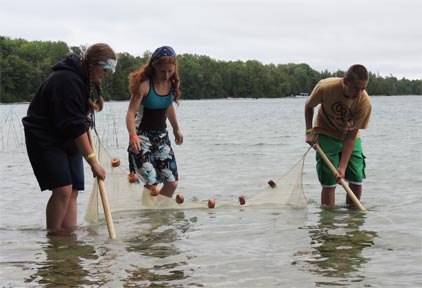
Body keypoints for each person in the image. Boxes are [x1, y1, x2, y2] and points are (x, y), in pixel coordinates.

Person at [22, 43, 117, 235]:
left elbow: (78, 123)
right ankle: (55, 239)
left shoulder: (86, 81)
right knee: (63, 189)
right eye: (105, 68)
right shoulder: (66, 80)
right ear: (93, 64)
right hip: (45, 137)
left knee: (73, 189)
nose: (107, 74)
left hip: (67, 137)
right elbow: (74, 127)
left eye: (110, 70)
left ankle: (69, 240)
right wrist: (93, 161)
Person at [304, 64, 371, 207]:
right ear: (345, 81)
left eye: (363, 89)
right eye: (355, 88)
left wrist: (342, 167)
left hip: (350, 135)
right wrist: (309, 132)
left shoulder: (364, 103)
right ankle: (329, 221)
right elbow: (309, 106)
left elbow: (351, 137)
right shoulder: (325, 87)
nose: (359, 93)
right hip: (326, 131)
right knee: (329, 179)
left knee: (356, 176)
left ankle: (353, 220)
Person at [126, 46, 183, 198]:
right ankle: (149, 219)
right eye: (162, 71)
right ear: (154, 66)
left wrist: (176, 129)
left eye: (170, 71)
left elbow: (168, 105)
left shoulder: (172, 84)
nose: (166, 75)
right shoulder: (144, 85)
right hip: (141, 137)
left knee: (172, 183)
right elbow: (130, 113)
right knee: (151, 183)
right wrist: (133, 136)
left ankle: (159, 218)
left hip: (161, 137)